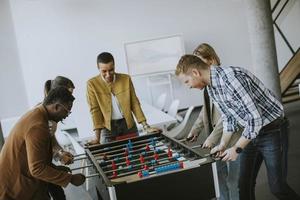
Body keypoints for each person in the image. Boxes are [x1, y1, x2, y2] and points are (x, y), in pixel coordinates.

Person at [175, 54, 300, 200]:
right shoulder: (211, 88)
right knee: (244, 185)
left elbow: (255, 119)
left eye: (187, 81)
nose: (188, 86)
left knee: (277, 187)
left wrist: (237, 148)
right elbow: (229, 118)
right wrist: (223, 144)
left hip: (272, 130)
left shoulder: (231, 78)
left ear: (195, 73)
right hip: (249, 133)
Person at [0, 87, 85, 200]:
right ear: (56, 107)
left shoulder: (38, 114)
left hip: (23, 180)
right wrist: (70, 179)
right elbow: (37, 168)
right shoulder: (38, 125)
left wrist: (56, 169)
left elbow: (37, 158)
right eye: (67, 110)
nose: (67, 115)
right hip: (15, 187)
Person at [186, 43, 241, 200]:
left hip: (233, 137)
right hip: (216, 139)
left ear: (211, 59)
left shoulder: (224, 81)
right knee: (219, 176)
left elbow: (227, 116)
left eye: (200, 62)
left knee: (234, 181)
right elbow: (205, 109)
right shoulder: (207, 83)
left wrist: (211, 139)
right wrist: (195, 130)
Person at [86, 52, 160, 145]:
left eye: (111, 70)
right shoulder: (92, 84)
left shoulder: (125, 79)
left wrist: (146, 126)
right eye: (104, 71)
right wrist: (97, 138)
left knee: (136, 153)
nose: (108, 74)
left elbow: (134, 103)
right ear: (98, 69)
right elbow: (95, 110)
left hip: (128, 125)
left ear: (114, 66)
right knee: (110, 157)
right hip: (108, 128)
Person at [44, 76, 75, 200]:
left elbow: (51, 140)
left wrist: (61, 152)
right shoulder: (46, 116)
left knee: (59, 195)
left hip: (45, 164)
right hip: (38, 168)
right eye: (68, 95)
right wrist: (59, 156)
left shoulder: (51, 113)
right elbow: (43, 147)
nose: (71, 101)